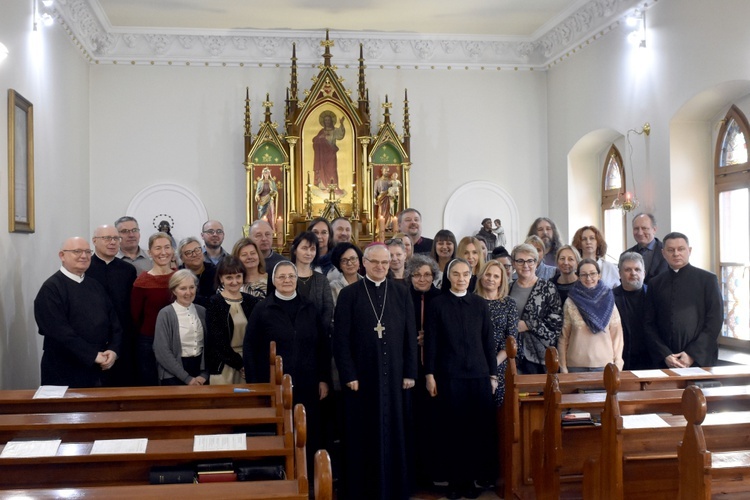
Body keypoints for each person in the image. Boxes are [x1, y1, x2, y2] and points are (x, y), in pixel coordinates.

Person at [333, 244, 418, 500]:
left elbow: (409, 337)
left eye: (385, 262)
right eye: (375, 262)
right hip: (362, 378)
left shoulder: (402, 292)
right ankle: (362, 490)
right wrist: (349, 375)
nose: (380, 267)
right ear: (364, 263)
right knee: (362, 434)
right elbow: (341, 339)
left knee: (395, 432)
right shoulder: (349, 294)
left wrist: (410, 373)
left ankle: (395, 489)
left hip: (394, 376)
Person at [244, 261, 331, 488]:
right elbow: (250, 349)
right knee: (280, 432)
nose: (286, 280)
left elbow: (322, 346)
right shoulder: (262, 309)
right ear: (273, 280)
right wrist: (257, 386)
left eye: (291, 276)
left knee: (308, 431)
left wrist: (324, 379)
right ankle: (280, 480)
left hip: (308, 382)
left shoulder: (309, 307)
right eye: (281, 277)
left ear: (296, 279)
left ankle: (308, 481)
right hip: (274, 385)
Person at [425, 259, 497, 499]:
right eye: (455, 274)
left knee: (476, 429)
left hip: (478, 374)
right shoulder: (437, 304)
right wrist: (430, 374)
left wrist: (493, 374)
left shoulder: (479, 304)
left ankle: (471, 482)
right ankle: (455, 483)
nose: (461, 278)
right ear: (448, 276)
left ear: (471, 276)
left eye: (465, 274)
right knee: (452, 430)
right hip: (449, 375)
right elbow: (432, 342)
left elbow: (488, 341)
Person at [34, 237, 121, 388]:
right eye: (77, 251)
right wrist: (92, 355)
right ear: (62, 256)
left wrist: (113, 350)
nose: (84, 256)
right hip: (63, 369)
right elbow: (58, 331)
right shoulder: (51, 288)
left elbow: (114, 323)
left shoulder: (95, 285)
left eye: (88, 252)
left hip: (99, 367)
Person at [643, 232, 723, 368]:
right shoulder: (655, 283)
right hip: (665, 361)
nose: (676, 254)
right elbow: (648, 323)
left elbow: (714, 321)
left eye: (681, 249)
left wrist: (692, 354)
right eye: (670, 250)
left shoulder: (707, 279)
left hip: (700, 359)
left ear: (689, 251)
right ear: (663, 253)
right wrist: (665, 354)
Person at [404, 254, 441, 488]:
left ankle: (431, 474)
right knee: (411, 423)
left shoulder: (440, 298)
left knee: (432, 424)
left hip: (435, 370)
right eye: (417, 274)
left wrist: (430, 338)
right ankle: (411, 475)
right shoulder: (402, 295)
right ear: (410, 276)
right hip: (409, 370)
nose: (422, 278)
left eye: (427, 274)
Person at [87, 225, 137, 387]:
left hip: (122, 338)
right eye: (107, 238)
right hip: (93, 339)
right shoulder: (85, 268)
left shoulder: (128, 269)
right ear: (94, 241)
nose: (112, 242)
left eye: (116, 238)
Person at [558, 258, 623, 373]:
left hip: (605, 366)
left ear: (599, 275)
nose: (588, 278)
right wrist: (563, 366)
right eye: (584, 275)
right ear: (578, 277)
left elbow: (617, 335)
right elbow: (564, 336)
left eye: (592, 273)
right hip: (575, 366)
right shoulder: (571, 301)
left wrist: (618, 363)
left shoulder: (609, 300)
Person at [508, 243, 563, 374]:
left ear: (536, 263)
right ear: (514, 264)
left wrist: (528, 325)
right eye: (520, 261)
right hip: (512, 354)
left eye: (530, 261)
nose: (525, 265)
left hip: (539, 357)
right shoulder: (507, 287)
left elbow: (556, 323)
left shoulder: (547, 288)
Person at [131, 232, 176, 385]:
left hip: (178, 340)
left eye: (167, 247)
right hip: (149, 342)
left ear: (173, 250)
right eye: (158, 248)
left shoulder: (180, 277)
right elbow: (135, 317)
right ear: (150, 253)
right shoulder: (142, 281)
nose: (163, 252)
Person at [206, 257, 258, 384]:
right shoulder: (214, 303)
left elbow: (258, 336)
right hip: (224, 365)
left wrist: (249, 363)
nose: (234, 282)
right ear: (221, 278)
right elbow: (217, 341)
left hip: (249, 363)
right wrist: (239, 364)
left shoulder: (252, 301)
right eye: (229, 277)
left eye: (238, 276)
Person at [153, 269, 209, 385]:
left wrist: (205, 374)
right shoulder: (165, 314)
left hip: (200, 372)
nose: (188, 292)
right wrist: (187, 378)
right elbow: (161, 351)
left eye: (191, 287)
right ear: (174, 290)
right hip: (173, 373)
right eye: (183, 288)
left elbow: (210, 346)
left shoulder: (202, 311)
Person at [475, 259, 519, 407]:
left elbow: (511, 339)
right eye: (487, 275)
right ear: (481, 276)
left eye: (496, 276)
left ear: (501, 281)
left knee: (500, 413)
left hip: (500, 364)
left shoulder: (509, 303)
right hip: (474, 364)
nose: (491, 279)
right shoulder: (471, 301)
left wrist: (492, 365)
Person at [613, 252, 651, 370]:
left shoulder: (654, 295)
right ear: (620, 273)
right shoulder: (610, 298)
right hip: (622, 360)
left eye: (637, 269)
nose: (633, 273)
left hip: (651, 360)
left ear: (644, 274)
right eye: (628, 269)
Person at [291, 231, 334, 330]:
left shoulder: (322, 279)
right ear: (295, 250)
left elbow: (328, 308)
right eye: (304, 248)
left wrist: (320, 331)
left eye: (312, 249)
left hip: (317, 336)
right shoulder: (286, 277)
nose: (309, 253)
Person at [623, 213, 668, 285]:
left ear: (654, 230)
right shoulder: (625, 255)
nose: (640, 233)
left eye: (644, 228)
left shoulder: (668, 252)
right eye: (636, 228)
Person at [177, 236, 217, 308]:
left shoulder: (215, 271)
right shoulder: (177, 276)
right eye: (188, 253)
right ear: (181, 258)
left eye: (197, 250)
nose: (194, 254)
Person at [313, 110, 346, 189]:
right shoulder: (322, 131)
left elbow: (341, 135)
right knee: (322, 169)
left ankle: (334, 187)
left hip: (331, 154)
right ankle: (324, 186)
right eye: (325, 120)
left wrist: (341, 124)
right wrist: (320, 138)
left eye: (328, 120)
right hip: (322, 155)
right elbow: (315, 140)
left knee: (332, 170)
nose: (327, 121)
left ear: (331, 121)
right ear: (323, 122)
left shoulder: (334, 130)